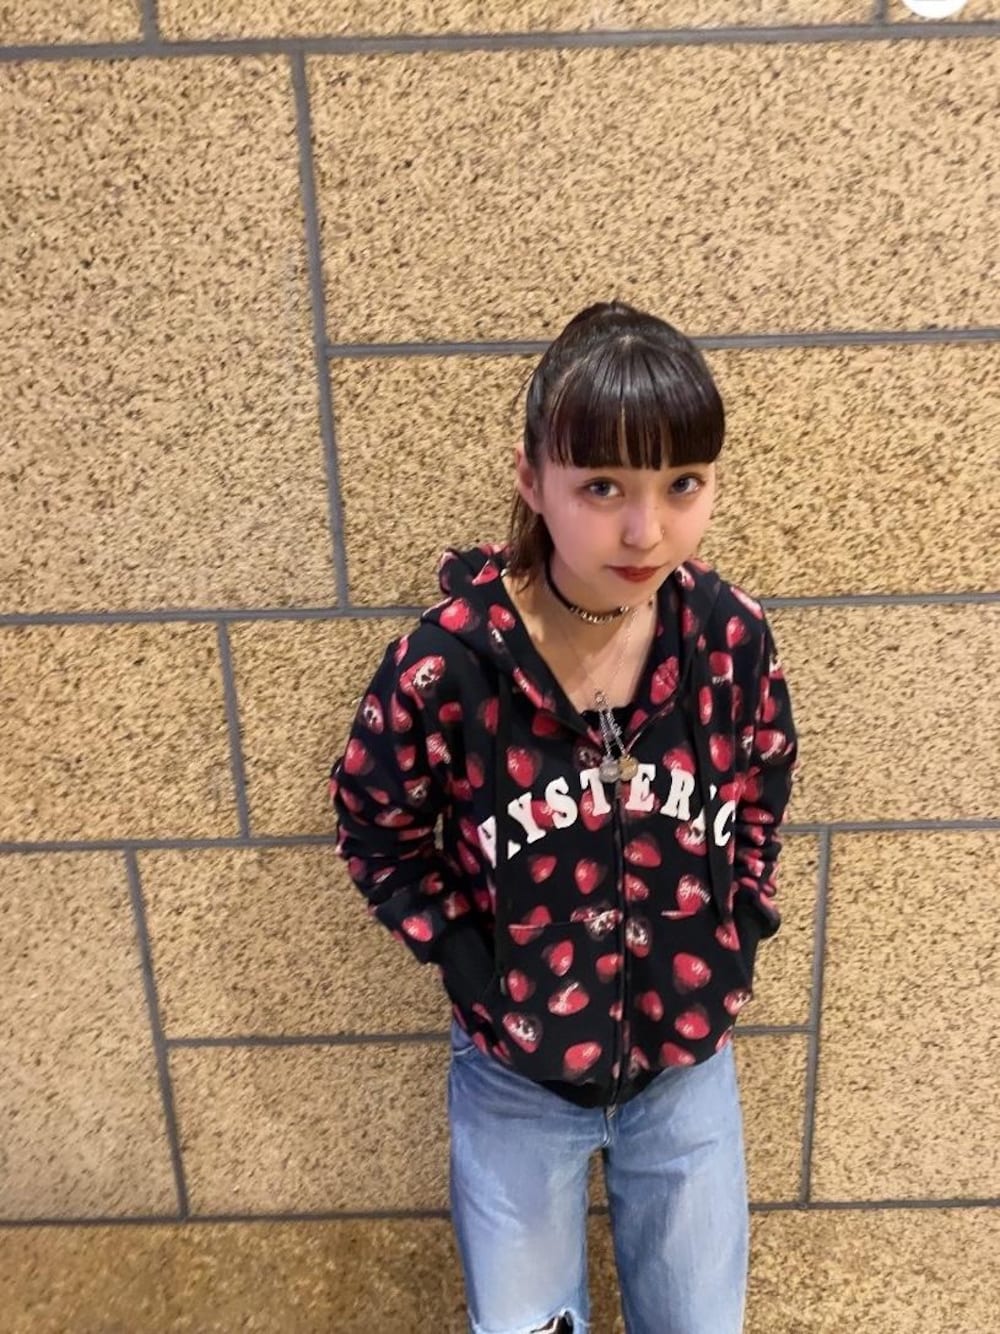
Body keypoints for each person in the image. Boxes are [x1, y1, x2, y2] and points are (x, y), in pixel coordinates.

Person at [328, 300, 798, 1334]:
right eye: (602, 486)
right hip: (515, 1081)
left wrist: (742, 921)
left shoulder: (728, 636)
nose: (646, 529)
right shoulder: (449, 663)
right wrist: (464, 957)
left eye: (682, 483)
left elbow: (764, 776)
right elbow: (372, 820)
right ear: (531, 480)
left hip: (685, 1073)